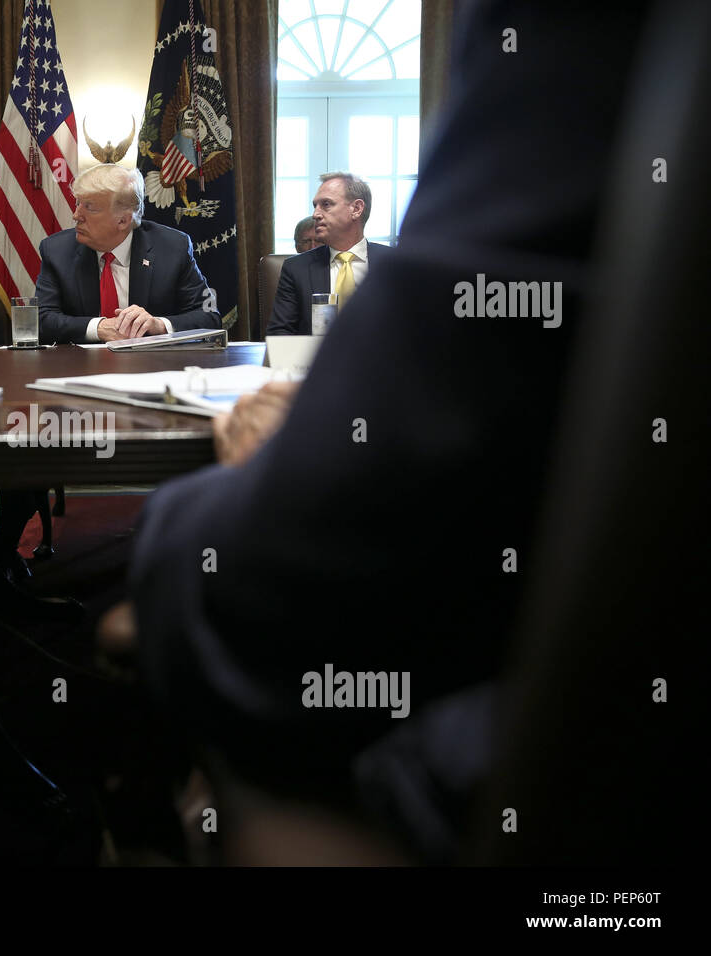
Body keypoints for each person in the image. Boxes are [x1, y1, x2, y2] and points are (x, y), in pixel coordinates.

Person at [131, 0, 655, 820]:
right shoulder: (297, 269)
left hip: (471, 733)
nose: (316, 210)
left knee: (183, 540)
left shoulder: (425, 254)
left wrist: (217, 500)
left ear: (360, 213)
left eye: (329, 200)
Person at [36, 164, 220, 344]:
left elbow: (209, 317)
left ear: (123, 220)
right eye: (78, 203)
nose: (76, 215)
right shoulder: (57, 251)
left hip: (153, 368)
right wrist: (98, 328)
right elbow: (40, 320)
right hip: (80, 368)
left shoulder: (172, 247)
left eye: (90, 207)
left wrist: (159, 325)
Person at [267, 172, 393, 335]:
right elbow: (279, 333)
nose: (316, 214)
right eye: (315, 206)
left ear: (356, 208)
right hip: (313, 359)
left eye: (326, 204)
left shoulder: (395, 266)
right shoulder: (296, 269)